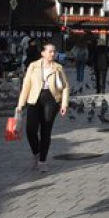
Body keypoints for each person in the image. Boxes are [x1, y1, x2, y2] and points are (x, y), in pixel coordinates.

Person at [16, 42, 70, 173]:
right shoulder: (33, 66)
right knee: (30, 129)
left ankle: (42, 161)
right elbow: (26, 85)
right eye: (50, 51)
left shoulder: (58, 67)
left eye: (54, 51)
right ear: (43, 53)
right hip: (34, 99)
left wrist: (64, 104)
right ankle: (36, 152)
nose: (53, 53)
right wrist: (20, 104)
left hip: (50, 99)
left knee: (46, 130)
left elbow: (66, 86)